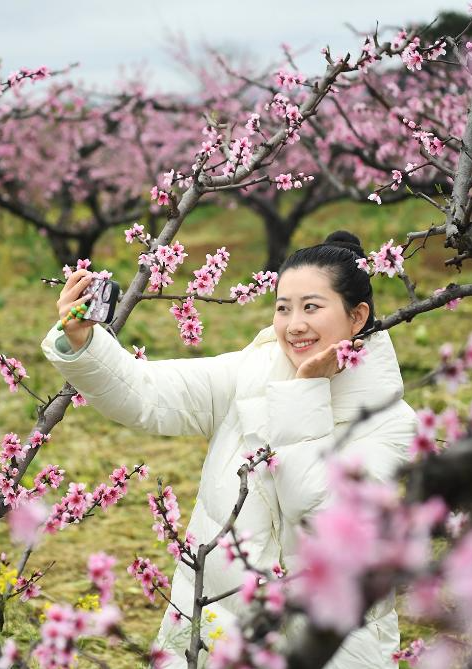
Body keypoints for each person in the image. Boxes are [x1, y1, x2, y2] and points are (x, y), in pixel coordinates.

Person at [41, 230, 417, 668]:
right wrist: (84, 342)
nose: (294, 324)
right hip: (217, 631)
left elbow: (318, 513)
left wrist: (305, 391)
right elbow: (146, 394)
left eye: (311, 307)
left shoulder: (392, 424)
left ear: (357, 317)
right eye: (283, 308)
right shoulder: (249, 374)